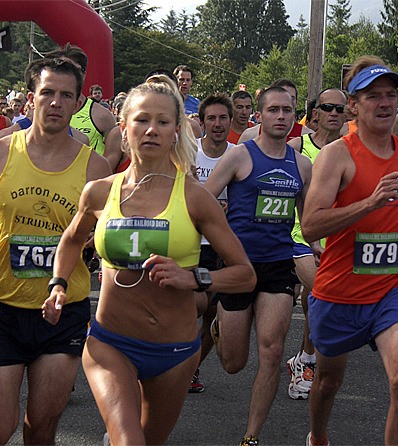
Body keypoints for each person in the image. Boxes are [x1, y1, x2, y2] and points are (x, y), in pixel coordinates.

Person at [42, 75, 255, 445]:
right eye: (141, 120)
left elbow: (244, 275)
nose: (151, 130)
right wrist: (58, 285)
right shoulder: (99, 192)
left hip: (174, 351)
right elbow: (71, 241)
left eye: (162, 121)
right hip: (111, 342)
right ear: (124, 128)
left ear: (176, 131)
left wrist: (194, 278)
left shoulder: (194, 197)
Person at [0, 56, 111, 445]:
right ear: (30, 99)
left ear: (77, 104)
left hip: (62, 312)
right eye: (47, 93)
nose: (56, 102)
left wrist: (94, 240)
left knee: (41, 429)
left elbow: (109, 230)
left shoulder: (97, 168)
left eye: (66, 95)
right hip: (2, 307)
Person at [302, 57, 398, 446]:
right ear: (354, 106)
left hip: (394, 287)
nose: (385, 102)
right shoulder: (336, 155)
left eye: (391, 95)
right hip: (339, 290)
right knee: (327, 383)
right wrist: (368, 205)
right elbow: (311, 225)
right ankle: (318, 436)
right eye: (374, 96)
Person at [205, 86, 313, 446]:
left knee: (272, 350)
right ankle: (220, 329)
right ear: (260, 116)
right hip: (238, 266)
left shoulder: (302, 165)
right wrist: (219, 233)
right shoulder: (239, 156)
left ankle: (251, 436)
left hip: (279, 267)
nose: (281, 116)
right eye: (274, 110)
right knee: (233, 363)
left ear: (294, 116)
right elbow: (203, 201)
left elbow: (306, 218)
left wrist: (316, 248)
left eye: (287, 110)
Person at [284, 87, 348, 401]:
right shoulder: (298, 145)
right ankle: (306, 362)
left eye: (340, 108)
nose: (334, 113)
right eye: (328, 107)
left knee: (316, 298)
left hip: (337, 238)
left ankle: (302, 357)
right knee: (321, 293)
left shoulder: (352, 149)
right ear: (315, 112)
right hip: (298, 235)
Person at [191, 92, 235, 393]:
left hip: (223, 245)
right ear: (202, 121)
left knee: (212, 316)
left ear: (230, 121)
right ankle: (173, 361)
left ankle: (191, 368)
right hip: (192, 243)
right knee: (190, 308)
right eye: (212, 118)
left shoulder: (239, 154)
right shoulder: (189, 153)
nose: (217, 124)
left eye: (223, 118)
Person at [238, 78, 311, 144]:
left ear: (296, 103)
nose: (286, 101)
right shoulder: (249, 136)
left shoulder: (307, 137)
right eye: (280, 97)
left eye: (291, 98)